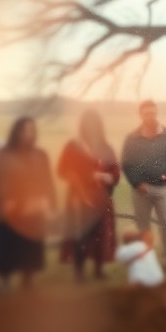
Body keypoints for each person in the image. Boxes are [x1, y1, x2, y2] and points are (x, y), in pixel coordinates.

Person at [0, 117, 56, 289]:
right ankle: (5, 280)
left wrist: (49, 204)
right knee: (7, 245)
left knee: (30, 246)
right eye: (25, 130)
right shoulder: (2, 155)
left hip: (33, 209)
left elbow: (47, 181)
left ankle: (28, 280)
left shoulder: (40, 155)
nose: (29, 134)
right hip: (10, 208)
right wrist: (3, 201)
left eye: (32, 130)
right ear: (16, 132)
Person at [121, 100, 166, 273]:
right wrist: (136, 183)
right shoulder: (132, 138)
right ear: (140, 115)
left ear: (157, 113)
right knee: (143, 227)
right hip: (140, 190)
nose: (150, 116)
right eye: (146, 113)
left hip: (163, 188)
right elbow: (126, 164)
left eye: (153, 112)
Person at [58, 110, 121, 282]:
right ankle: (79, 271)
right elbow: (62, 170)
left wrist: (110, 177)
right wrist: (88, 176)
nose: (92, 128)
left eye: (95, 124)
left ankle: (98, 269)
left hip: (101, 198)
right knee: (81, 235)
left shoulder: (106, 147)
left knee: (100, 234)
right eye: (88, 124)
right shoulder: (73, 146)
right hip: (80, 198)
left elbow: (115, 170)